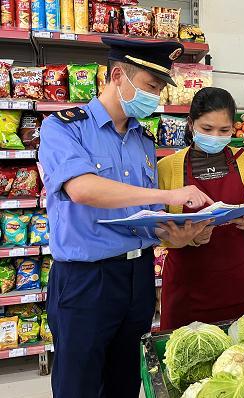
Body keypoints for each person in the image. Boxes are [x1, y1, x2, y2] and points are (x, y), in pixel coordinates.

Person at [38, 37, 213, 398]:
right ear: (118, 75)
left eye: (161, 88)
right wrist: (169, 195)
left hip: (137, 277)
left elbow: (139, 215)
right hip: (86, 280)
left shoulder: (142, 139)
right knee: (79, 384)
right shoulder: (65, 128)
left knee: (125, 381)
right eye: (151, 86)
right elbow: (83, 189)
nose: (157, 97)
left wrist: (175, 236)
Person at [158, 87, 244, 330]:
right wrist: (187, 237)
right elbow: (157, 225)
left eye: (224, 130)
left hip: (239, 282)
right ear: (191, 124)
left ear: (233, 127)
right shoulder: (168, 167)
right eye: (207, 129)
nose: (215, 136)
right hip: (187, 286)